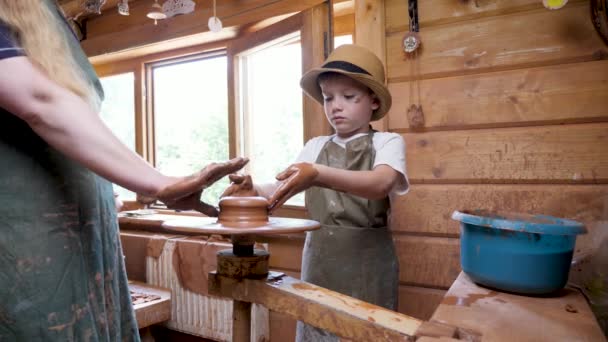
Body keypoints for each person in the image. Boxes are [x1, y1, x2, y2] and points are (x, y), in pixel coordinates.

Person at [0, 1, 247, 340]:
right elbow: (39, 101)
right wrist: (159, 183)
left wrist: (103, 192)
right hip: (24, 250)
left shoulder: (43, 15)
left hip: (80, 244)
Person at [223, 44, 409, 341]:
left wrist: (318, 173)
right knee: (317, 329)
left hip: (369, 261)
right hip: (320, 257)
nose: (336, 106)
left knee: (368, 330)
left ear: (373, 101)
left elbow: (380, 183)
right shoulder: (314, 147)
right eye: (328, 98)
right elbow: (282, 186)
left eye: (349, 97)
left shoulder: (387, 142)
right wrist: (253, 188)